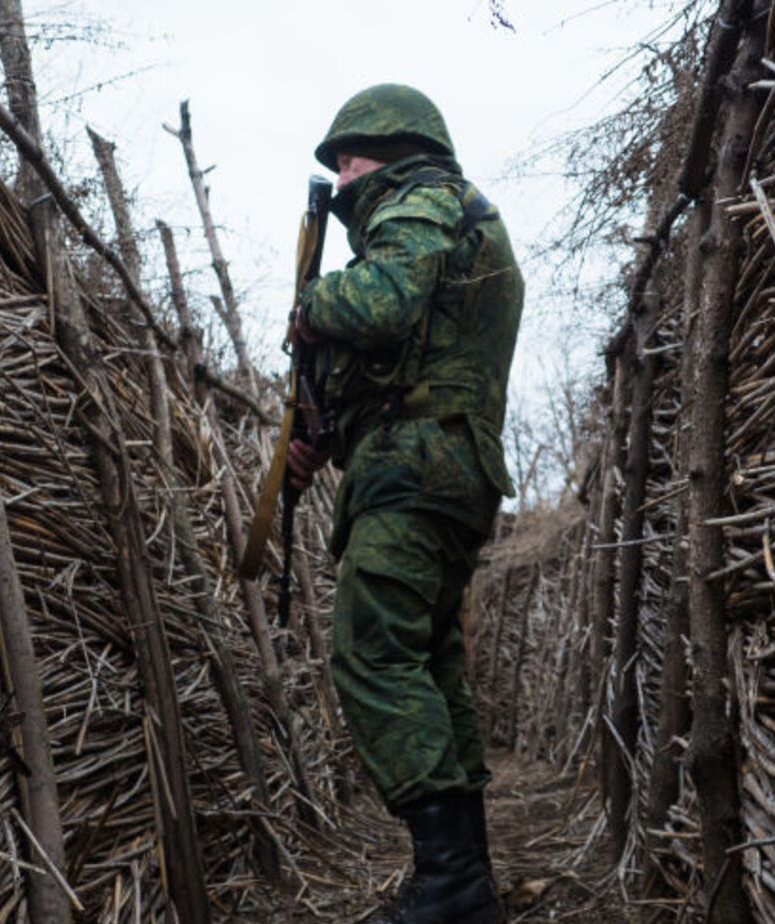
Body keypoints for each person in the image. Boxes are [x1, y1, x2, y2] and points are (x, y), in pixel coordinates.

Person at [288, 83, 523, 924]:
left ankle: (452, 884)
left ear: (388, 149)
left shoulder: (422, 199)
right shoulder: (456, 218)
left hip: (419, 472)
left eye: (346, 158)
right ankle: (465, 882)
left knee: (373, 651)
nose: (340, 177)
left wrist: (310, 306)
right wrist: (327, 427)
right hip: (443, 472)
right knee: (427, 659)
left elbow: (384, 303)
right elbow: (412, 361)